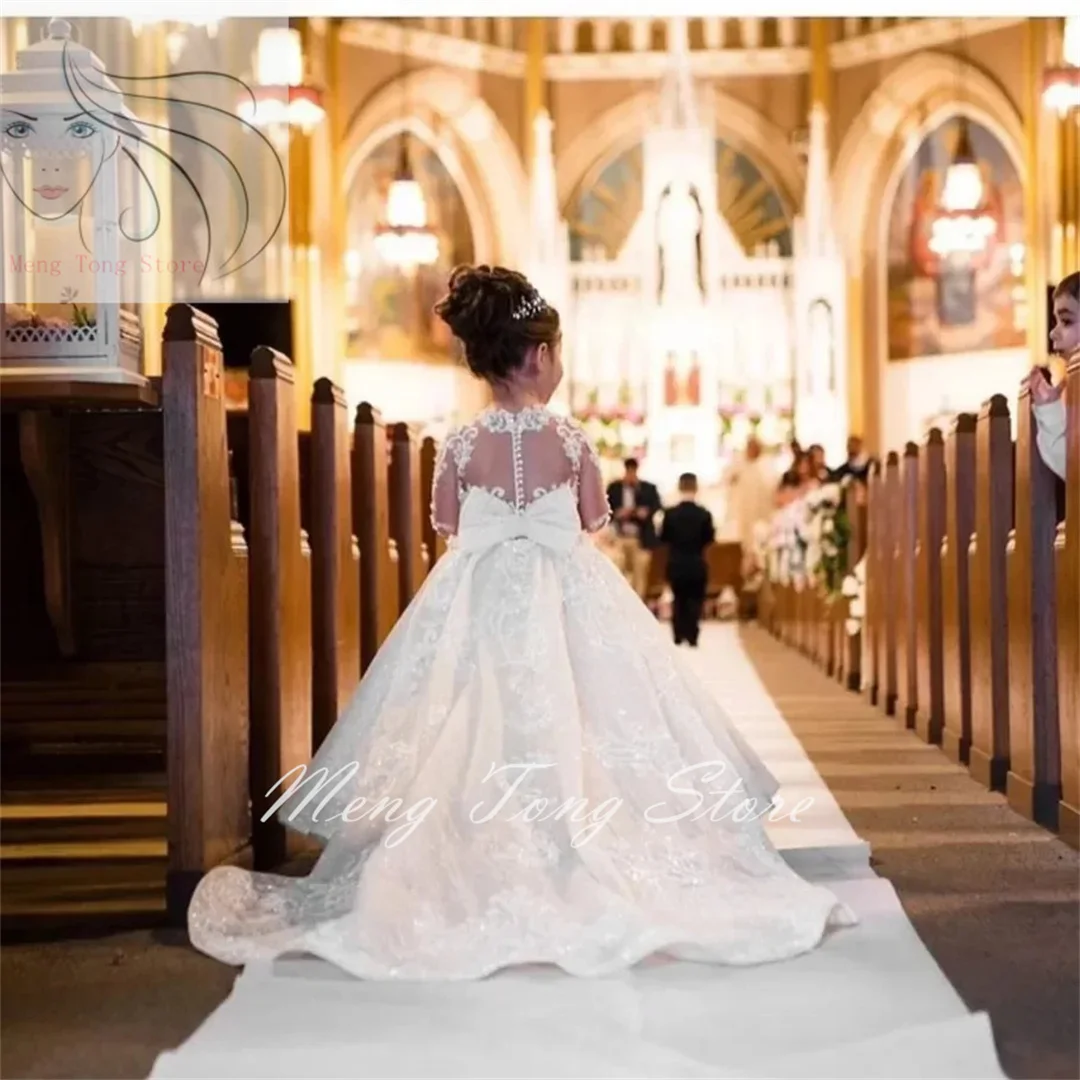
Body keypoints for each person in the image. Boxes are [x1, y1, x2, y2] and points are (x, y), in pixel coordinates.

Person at [186, 264, 854, 981]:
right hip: (566, 585)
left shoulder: (463, 443)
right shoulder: (569, 440)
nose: (559, 366)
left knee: (475, 706)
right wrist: (548, 518)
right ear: (538, 355)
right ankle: (579, 839)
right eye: (558, 353)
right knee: (588, 705)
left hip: (478, 590)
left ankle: (467, 844)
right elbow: (596, 517)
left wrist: (497, 525)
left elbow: (445, 520)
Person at [1024, 271, 1078, 482]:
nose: (1052, 333)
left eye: (1066, 321)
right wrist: (1049, 408)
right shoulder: (1072, 389)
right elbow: (1072, 470)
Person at [660, 472, 715, 648]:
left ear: (679, 487)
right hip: (697, 562)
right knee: (695, 599)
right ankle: (692, 635)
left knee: (679, 599)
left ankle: (678, 634)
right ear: (696, 488)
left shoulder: (670, 514)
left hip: (676, 562)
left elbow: (663, 538)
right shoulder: (704, 514)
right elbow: (709, 539)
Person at [606, 457, 662, 601]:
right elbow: (606, 508)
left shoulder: (648, 488)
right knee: (617, 572)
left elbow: (656, 507)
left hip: (641, 539)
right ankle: (619, 604)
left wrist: (643, 512)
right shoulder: (615, 488)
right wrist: (618, 513)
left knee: (640, 574)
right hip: (620, 537)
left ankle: (639, 606)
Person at [726, 436, 777, 580]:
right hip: (742, 516)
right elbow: (728, 481)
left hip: (762, 517)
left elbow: (772, 489)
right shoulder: (738, 464)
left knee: (761, 551)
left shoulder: (767, 467)